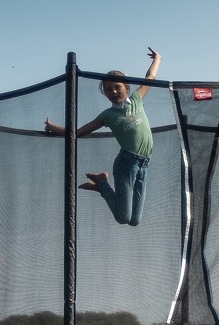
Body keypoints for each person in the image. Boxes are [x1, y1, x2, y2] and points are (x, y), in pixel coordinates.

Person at [46, 47, 162, 226]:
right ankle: (102, 184)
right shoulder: (108, 115)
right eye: (109, 90)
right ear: (105, 93)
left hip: (144, 164)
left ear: (126, 87)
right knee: (122, 218)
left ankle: (100, 183)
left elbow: (150, 77)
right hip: (126, 164)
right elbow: (78, 132)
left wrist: (157, 59)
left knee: (134, 220)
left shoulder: (137, 99)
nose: (113, 91)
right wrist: (53, 127)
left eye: (117, 87)